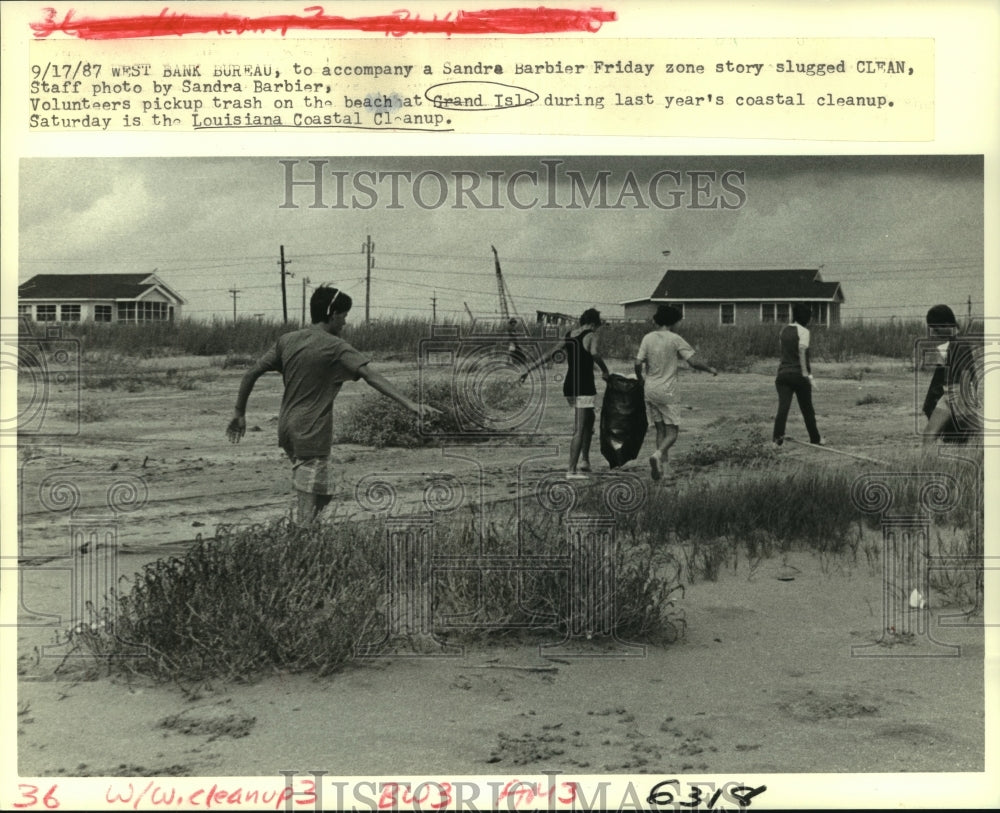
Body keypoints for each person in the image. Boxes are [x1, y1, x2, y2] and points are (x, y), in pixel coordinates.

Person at [226, 285, 440, 525]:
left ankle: (306, 536)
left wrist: (239, 413)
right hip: (312, 431)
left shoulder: (287, 340)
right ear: (333, 314)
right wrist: (410, 404)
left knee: (324, 492)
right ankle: (302, 543)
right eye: (345, 316)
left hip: (287, 428)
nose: (345, 322)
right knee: (308, 507)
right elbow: (371, 376)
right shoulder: (336, 346)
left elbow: (251, 373)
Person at [519, 308, 609, 478]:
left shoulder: (569, 335)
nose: (598, 328)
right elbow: (595, 353)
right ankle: (571, 470)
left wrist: (529, 369)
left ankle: (585, 461)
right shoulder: (591, 335)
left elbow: (550, 354)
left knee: (589, 419)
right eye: (598, 325)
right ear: (593, 323)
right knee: (580, 428)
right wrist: (605, 370)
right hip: (584, 385)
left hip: (569, 385)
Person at [634, 304, 717, 481]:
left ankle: (665, 470)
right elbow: (693, 362)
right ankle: (657, 456)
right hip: (668, 391)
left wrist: (640, 379)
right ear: (673, 321)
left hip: (650, 388)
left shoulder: (647, 338)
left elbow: (637, 362)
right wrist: (710, 369)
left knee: (660, 430)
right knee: (672, 432)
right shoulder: (675, 339)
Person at [921, 304, 982, 446]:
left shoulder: (960, 344)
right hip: (949, 394)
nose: (935, 334)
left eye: (937, 330)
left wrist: (968, 400)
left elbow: (967, 373)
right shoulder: (952, 344)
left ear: (948, 324)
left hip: (959, 394)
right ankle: (926, 466)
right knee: (929, 434)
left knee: (974, 434)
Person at [772, 302, 822, 448]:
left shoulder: (783, 330)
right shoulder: (804, 332)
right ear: (806, 318)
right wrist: (808, 376)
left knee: (783, 409)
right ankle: (815, 439)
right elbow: (802, 354)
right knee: (807, 409)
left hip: (782, 375)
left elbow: (784, 353)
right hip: (798, 375)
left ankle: (776, 441)